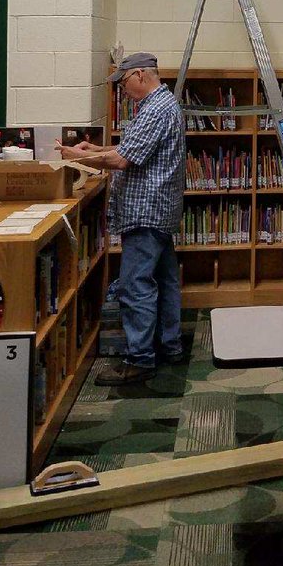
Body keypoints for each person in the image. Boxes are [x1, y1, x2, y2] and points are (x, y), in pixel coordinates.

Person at [57, 52, 186, 386]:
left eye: (124, 82)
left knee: (136, 285)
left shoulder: (156, 109)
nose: (123, 90)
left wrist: (78, 157)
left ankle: (140, 359)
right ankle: (169, 345)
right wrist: (93, 152)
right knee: (165, 278)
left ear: (140, 74)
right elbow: (130, 151)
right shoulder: (161, 105)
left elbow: (123, 161)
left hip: (145, 212)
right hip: (158, 209)